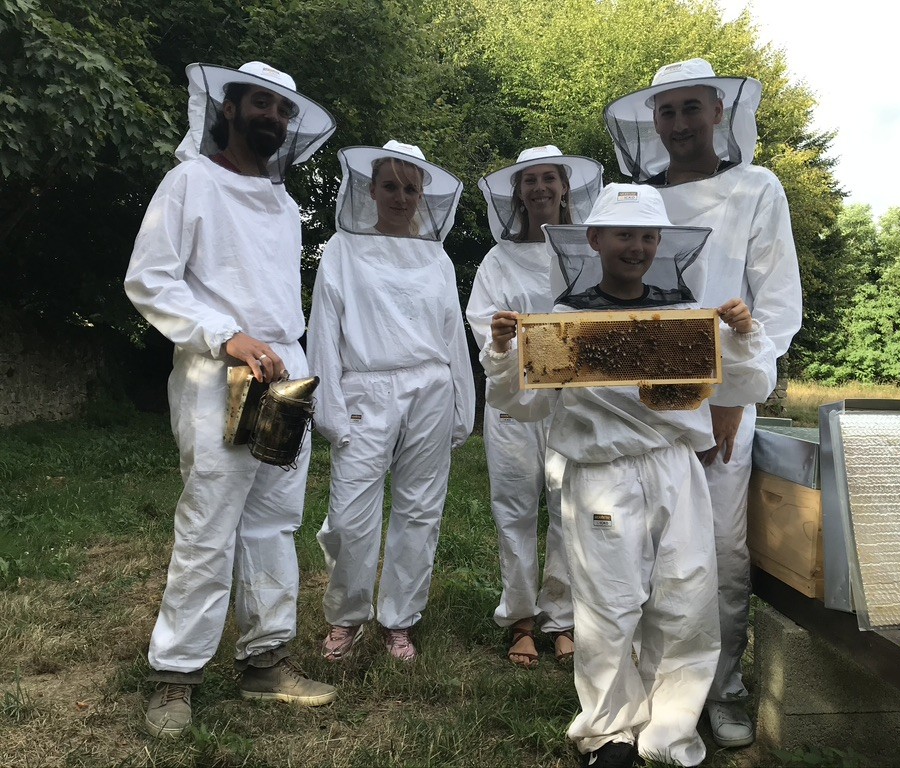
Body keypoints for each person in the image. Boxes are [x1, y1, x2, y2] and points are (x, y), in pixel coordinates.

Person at [481, 183, 777, 767]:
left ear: (660, 242)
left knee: (686, 598)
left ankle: (669, 733)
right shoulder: (562, 322)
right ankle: (609, 734)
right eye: (624, 234)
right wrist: (503, 350)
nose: (636, 247)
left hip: (676, 470)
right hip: (601, 475)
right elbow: (523, 404)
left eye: (646, 236)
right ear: (594, 239)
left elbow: (747, 385)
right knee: (608, 605)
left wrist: (744, 334)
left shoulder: (686, 317)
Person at [124, 61, 338, 739]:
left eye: (282, 109)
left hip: (284, 372)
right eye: (260, 105)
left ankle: (267, 661)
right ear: (229, 107)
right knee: (209, 523)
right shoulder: (189, 181)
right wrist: (226, 336)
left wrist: (291, 361)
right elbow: (151, 280)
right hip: (216, 372)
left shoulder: (280, 202)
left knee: (275, 520)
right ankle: (176, 675)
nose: (273, 118)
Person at [604, 58, 803, 748]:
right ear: (653, 122)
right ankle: (648, 690)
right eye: (668, 112)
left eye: (693, 109)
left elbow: (777, 305)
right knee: (639, 546)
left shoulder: (758, 187)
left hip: (722, 402)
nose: (681, 123)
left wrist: (734, 397)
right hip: (640, 403)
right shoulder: (635, 198)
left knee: (719, 550)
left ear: (718, 112)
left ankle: (723, 687)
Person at [307, 140, 475, 663]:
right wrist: (328, 407)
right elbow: (324, 330)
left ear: (423, 195)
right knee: (351, 512)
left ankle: (399, 621)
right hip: (365, 387)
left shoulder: (437, 256)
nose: (400, 197)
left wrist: (462, 404)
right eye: (390, 186)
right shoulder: (341, 249)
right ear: (370, 190)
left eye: (410, 188)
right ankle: (346, 619)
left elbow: (452, 336)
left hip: (430, 388)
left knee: (420, 509)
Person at [466, 145, 603, 668]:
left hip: (574, 400)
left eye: (549, 179)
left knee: (570, 508)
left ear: (565, 186)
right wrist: (502, 339)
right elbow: (485, 327)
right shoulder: (498, 259)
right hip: (511, 402)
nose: (541, 189)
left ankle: (563, 617)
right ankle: (521, 619)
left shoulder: (588, 251)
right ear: (518, 192)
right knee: (515, 507)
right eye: (530, 181)